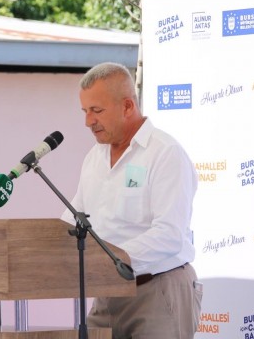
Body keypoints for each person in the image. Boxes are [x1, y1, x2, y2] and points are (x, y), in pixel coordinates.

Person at [61, 62, 202, 339]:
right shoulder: (94, 157)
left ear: (127, 106)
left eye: (96, 110)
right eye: (85, 111)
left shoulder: (165, 153)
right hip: (106, 293)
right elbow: (75, 218)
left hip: (157, 290)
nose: (88, 121)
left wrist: (109, 261)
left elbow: (169, 234)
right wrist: (44, 245)